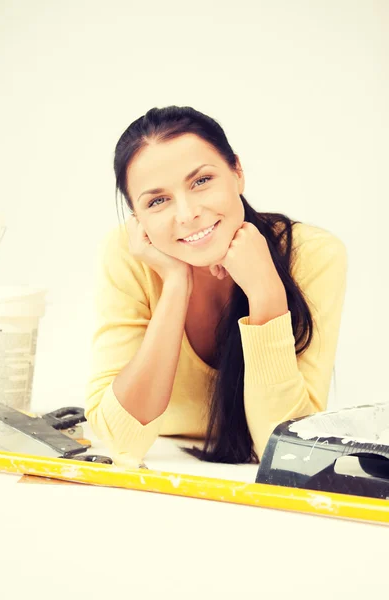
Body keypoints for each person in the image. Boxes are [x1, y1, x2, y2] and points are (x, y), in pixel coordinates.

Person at [85, 105, 348, 468]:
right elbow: (120, 440)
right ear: (138, 218)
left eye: (201, 181)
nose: (187, 213)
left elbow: (289, 453)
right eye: (158, 200)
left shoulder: (314, 254)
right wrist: (176, 284)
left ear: (237, 172)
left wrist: (265, 293)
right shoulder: (130, 256)